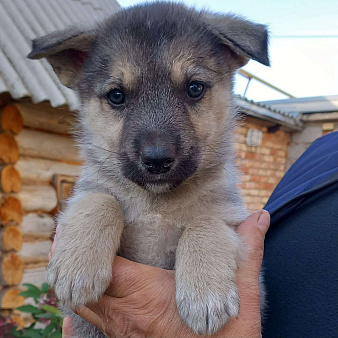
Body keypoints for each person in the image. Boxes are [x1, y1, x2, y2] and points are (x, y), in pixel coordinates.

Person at [57, 131, 337, 337]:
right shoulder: (322, 151)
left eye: (194, 90)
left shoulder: (216, 186)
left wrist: (209, 233)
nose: (157, 148)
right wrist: (95, 213)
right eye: (117, 97)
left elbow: (248, 296)